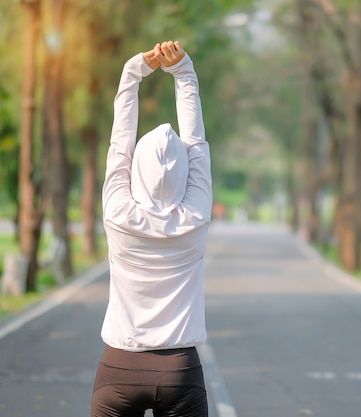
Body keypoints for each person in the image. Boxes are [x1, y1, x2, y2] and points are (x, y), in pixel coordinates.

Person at [91, 41, 212, 417]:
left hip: (119, 369)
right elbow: (195, 143)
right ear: (185, 175)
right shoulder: (195, 216)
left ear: (136, 169)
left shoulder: (118, 213)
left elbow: (119, 144)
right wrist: (184, 72)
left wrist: (133, 73)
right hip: (179, 370)